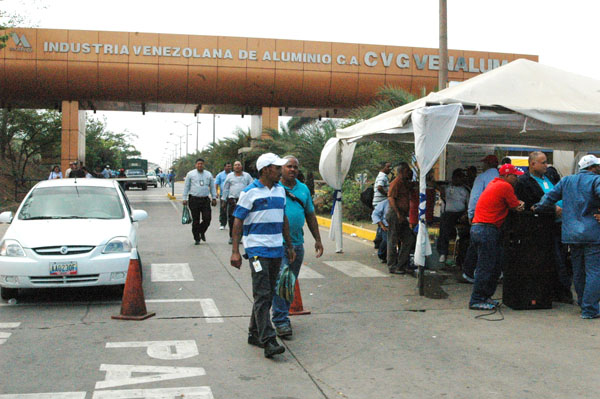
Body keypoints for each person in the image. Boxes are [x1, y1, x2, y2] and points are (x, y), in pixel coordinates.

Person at [230, 152, 295, 358]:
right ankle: (268, 340)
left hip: (276, 249)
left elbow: (283, 218)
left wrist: (289, 245)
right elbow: (238, 221)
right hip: (257, 250)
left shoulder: (280, 191)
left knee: (265, 294)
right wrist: (235, 251)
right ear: (266, 169)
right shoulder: (249, 192)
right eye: (277, 168)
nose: (281, 171)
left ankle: (254, 332)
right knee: (263, 293)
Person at [534, 155, 600, 319]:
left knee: (578, 271)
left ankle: (583, 302)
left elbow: (549, 198)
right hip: (592, 233)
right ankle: (590, 308)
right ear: (593, 167)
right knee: (594, 271)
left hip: (571, 233)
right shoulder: (596, 180)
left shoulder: (567, 181)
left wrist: (538, 207)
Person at [271, 156, 323, 339]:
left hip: (297, 244)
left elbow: (310, 215)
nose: (292, 170)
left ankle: (280, 314)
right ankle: (280, 320)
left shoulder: (303, 189)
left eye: (295, 167)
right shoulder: (274, 187)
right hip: (278, 244)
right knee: (282, 280)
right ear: (281, 169)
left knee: (289, 282)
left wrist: (317, 239)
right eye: (288, 167)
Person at [515, 151, 572, 303]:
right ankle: (558, 292)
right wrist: (552, 210)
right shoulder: (523, 182)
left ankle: (561, 291)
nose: (546, 165)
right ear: (532, 164)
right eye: (543, 162)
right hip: (542, 227)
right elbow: (529, 206)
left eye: (546, 162)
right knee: (555, 260)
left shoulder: (550, 176)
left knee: (562, 259)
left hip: (560, 225)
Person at [469, 164, 524, 310]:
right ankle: (477, 299)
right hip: (487, 229)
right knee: (486, 267)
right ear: (506, 176)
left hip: (480, 228)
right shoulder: (505, 187)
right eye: (514, 175)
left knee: (493, 265)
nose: (517, 178)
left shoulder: (494, 184)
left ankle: (485, 297)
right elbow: (516, 206)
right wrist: (520, 204)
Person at [462, 155, 500, 282]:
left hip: (481, 217)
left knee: (475, 245)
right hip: (498, 218)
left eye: (484, 163)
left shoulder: (482, 178)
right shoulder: (502, 177)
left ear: (488, 164)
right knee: (494, 246)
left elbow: (475, 198)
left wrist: (470, 214)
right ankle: (494, 272)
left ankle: (469, 272)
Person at [386, 162, 416, 274]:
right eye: (408, 171)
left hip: (402, 214)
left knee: (409, 239)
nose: (409, 173)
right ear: (402, 171)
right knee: (393, 239)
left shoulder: (404, 183)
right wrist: (398, 213)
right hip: (395, 214)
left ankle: (401, 264)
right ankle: (392, 266)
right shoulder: (396, 183)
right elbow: (391, 198)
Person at [437, 169, 470, 263]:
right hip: (449, 213)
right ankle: (443, 252)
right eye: (456, 177)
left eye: (460, 177)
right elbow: (438, 187)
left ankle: (461, 259)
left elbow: (470, 204)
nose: (458, 180)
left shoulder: (465, 189)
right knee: (444, 224)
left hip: (461, 213)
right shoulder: (447, 188)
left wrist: (466, 214)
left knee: (465, 233)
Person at [182, 158, 217, 245]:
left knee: (207, 218)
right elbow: (186, 187)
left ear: (203, 165)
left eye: (201, 164)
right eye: (198, 164)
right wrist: (184, 198)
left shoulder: (208, 174)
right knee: (196, 220)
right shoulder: (190, 174)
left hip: (205, 199)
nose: (200, 165)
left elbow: (212, 187)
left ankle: (201, 231)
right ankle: (197, 238)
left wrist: (214, 197)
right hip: (194, 199)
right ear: (195, 165)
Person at [222, 161, 253, 244]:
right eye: (235, 165)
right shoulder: (229, 176)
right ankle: (232, 237)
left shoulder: (247, 176)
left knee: (244, 219)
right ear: (233, 167)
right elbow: (226, 189)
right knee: (232, 219)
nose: (237, 166)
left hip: (244, 201)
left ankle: (240, 237)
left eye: (239, 165)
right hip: (232, 200)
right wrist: (224, 200)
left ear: (241, 166)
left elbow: (252, 187)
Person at [373, 161, 392, 249]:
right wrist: (387, 195)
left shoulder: (382, 176)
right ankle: (379, 241)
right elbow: (379, 187)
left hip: (379, 202)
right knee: (382, 223)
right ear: (383, 167)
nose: (390, 169)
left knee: (380, 223)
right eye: (388, 167)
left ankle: (378, 241)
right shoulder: (382, 176)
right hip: (380, 202)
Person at [215, 162, 233, 230]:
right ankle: (222, 223)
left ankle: (231, 224)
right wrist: (216, 192)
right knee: (223, 209)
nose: (229, 167)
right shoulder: (220, 175)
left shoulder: (233, 174)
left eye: (230, 166)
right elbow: (216, 184)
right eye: (228, 166)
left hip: (232, 195)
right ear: (224, 167)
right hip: (223, 195)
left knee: (232, 210)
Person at [371, 198, 390, 264]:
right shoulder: (384, 203)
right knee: (386, 240)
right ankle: (381, 254)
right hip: (386, 226)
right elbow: (375, 214)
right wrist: (382, 225)